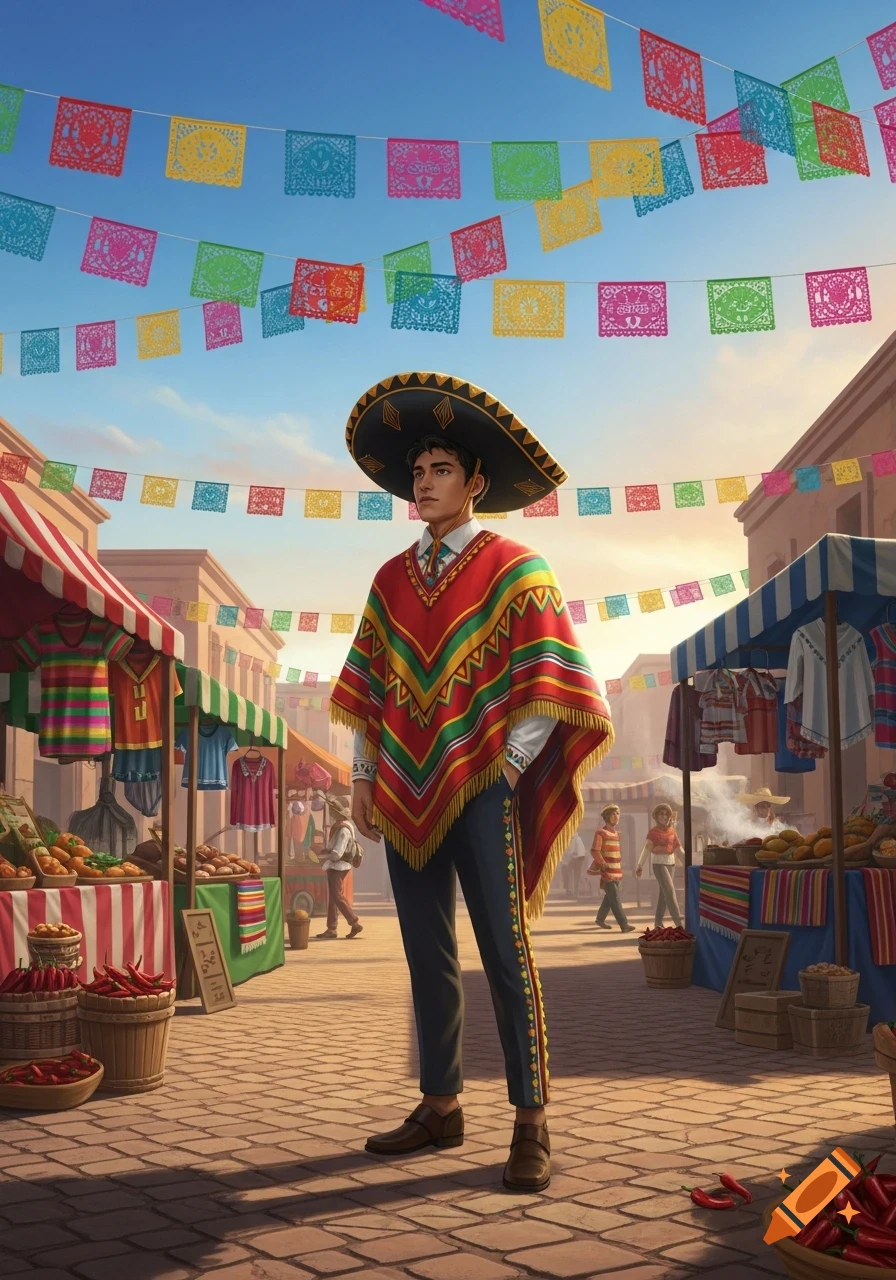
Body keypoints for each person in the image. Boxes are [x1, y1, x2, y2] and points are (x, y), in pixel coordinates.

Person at [330, 372, 612, 1193]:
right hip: (403, 789)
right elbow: (376, 687)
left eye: (441, 470)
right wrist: (362, 776)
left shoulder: (518, 567)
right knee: (425, 950)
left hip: (485, 784)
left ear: (477, 483)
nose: (423, 484)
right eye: (416, 473)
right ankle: (441, 1106)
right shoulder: (388, 580)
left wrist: (506, 769)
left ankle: (531, 1122)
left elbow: (547, 682)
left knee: (504, 947)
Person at [314, 792, 362, 941]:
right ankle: (332, 928)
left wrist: (324, 855)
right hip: (337, 865)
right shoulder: (341, 826)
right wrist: (327, 850)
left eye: (333, 810)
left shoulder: (343, 829)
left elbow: (337, 853)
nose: (331, 813)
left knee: (337, 896)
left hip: (339, 866)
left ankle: (354, 922)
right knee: (334, 897)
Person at [636, 803, 684, 928]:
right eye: (661, 814)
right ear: (656, 816)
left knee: (664, 894)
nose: (664, 816)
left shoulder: (672, 832)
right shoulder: (653, 832)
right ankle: (678, 921)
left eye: (667, 814)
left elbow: (679, 849)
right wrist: (640, 865)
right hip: (658, 863)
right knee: (669, 889)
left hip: (670, 863)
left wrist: (688, 863)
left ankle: (658, 922)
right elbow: (647, 848)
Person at [588, 803, 634, 932]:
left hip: (617, 870)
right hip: (607, 871)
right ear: (607, 816)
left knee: (610, 897)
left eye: (617, 813)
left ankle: (600, 919)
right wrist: (603, 864)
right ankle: (624, 924)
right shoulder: (600, 833)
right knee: (615, 898)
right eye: (613, 814)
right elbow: (594, 851)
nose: (616, 816)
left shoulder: (617, 834)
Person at [560, 830, 587, 898]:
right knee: (576, 876)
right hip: (579, 858)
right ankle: (574, 892)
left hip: (575, 859)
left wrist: (566, 860)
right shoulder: (577, 838)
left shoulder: (573, 839)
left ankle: (571, 891)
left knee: (571, 876)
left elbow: (570, 852)